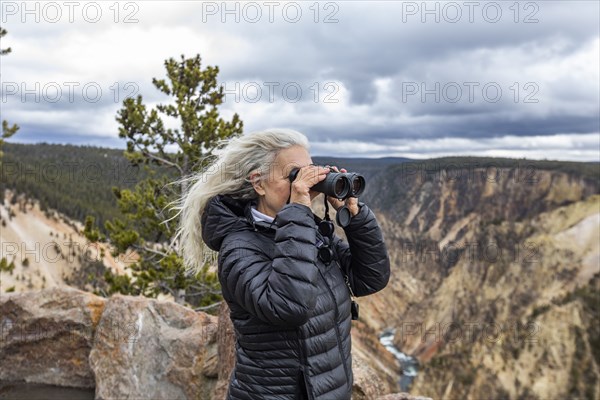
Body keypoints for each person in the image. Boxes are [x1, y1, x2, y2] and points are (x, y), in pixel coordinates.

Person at [175, 128, 390, 400]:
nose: (305, 182)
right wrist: (299, 209)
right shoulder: (238, 248)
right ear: (258, 183)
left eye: (309, 171)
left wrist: (355, 217)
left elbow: (370, 278)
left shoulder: (309, 230)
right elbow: (289, 307)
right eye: (293, 175)